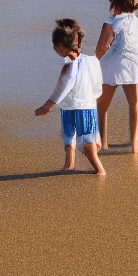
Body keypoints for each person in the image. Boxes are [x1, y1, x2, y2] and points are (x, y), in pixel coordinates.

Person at [35, 19, 106, 176]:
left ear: (60, 45)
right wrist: (92, 99)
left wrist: (48, 104)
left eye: (55, 45)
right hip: (78, 106)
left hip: (80, 107)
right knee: (69, 137)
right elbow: (98, 85)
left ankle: (100, 171)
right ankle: (69, 165)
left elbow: (65, 84)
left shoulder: (70, 64)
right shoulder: (92, 60)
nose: (53, 48)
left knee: (85, 144)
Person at [95, 0, 138, 153]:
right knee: (135, 105)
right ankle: (134, 145)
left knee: (102, 107)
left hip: (110, 67)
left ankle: (103, 142)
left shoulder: (111, 22)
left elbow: (102, 47)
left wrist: (92, 64)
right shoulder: (136, 21)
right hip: (133, 67)